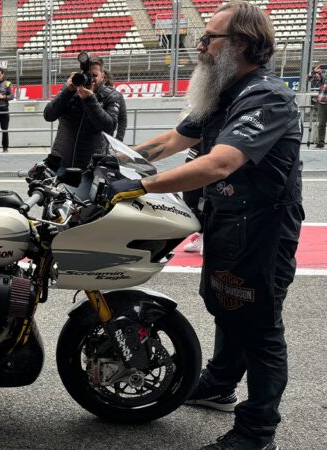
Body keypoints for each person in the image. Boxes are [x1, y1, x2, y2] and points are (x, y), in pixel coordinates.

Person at [106, 3, 302, 449]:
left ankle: (257, 433)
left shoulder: (265, 95)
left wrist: (137, 185)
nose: (200, 46)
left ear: (243, 45)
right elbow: (173, 140)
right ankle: (218, 383)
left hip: (264, 228)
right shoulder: (223, 88)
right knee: (227, 300)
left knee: (260, 327)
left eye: (209, 38)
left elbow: (220, 163)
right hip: (227, 219)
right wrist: (106, 160)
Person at [42, 55, 121, 171]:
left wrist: (90, 99)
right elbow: (48, 115)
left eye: (94, 75)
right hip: (61, 162)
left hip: (90, 167)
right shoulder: (70, 89)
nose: (90, 79)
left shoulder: (111, 95)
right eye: (86, 75)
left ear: (102, 76)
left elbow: (108, 127)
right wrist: (67, 91)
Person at [103, 70, 128, 142]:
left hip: (107, 138)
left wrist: (119, 139)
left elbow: (122, 118)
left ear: (105, 79)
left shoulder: (117, 95)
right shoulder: (87, 94)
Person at [314, 68, 327, 149]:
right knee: (321, 124)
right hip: (323, 102)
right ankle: (321, 142)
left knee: (322, 124)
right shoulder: (324, 73)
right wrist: (314, 72)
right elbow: (310, 78)